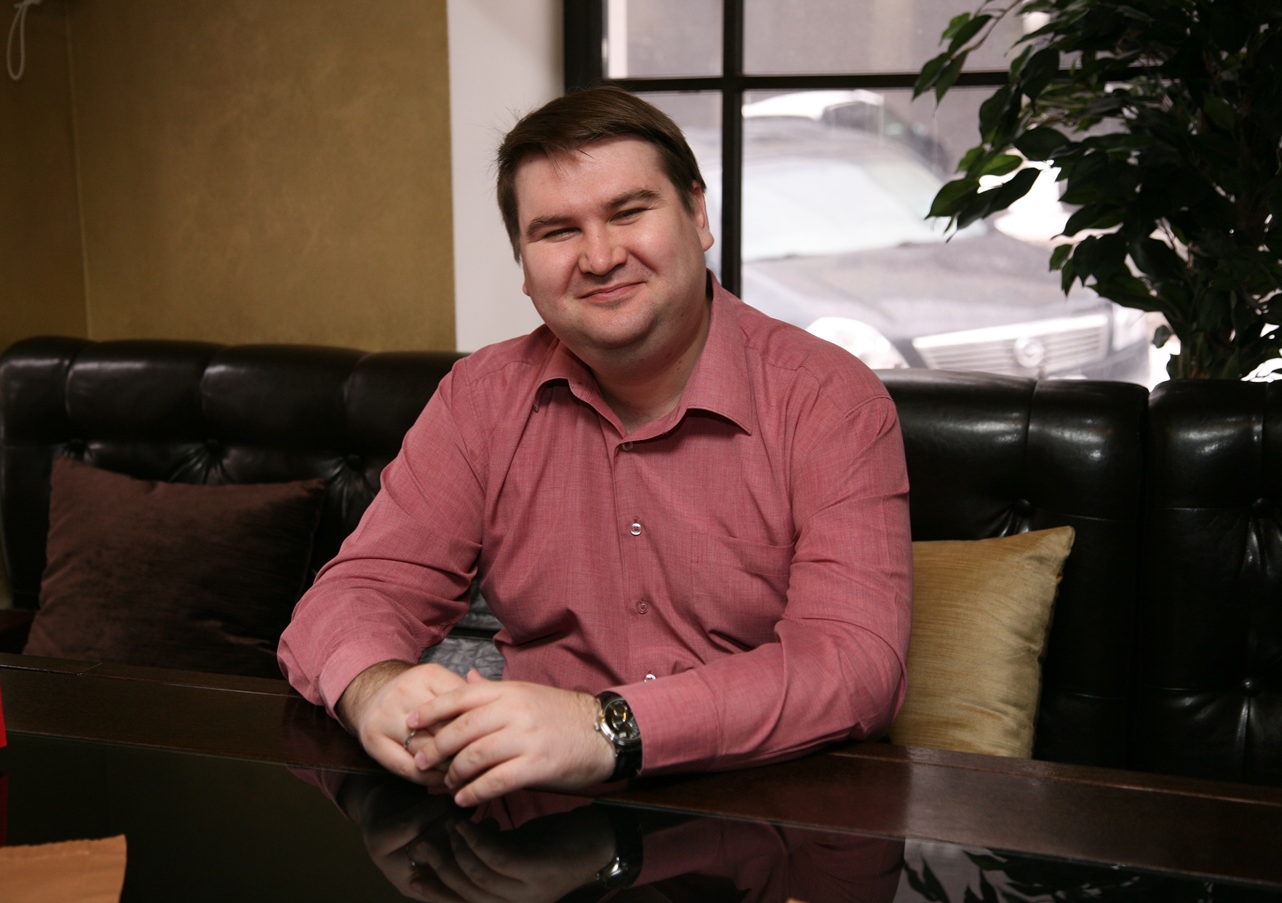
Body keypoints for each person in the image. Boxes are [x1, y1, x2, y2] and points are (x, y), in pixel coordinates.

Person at [278, 86, 912, 808]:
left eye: (629, 212)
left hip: (772, 809)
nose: (601, 256)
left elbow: (855, 664)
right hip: (540, 816)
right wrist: (376, 689)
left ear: (697, 216)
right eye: (557, 231)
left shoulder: (828, 399)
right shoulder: (481, 398)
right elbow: (358, 592)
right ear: (524, 265)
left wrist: (607, 727)